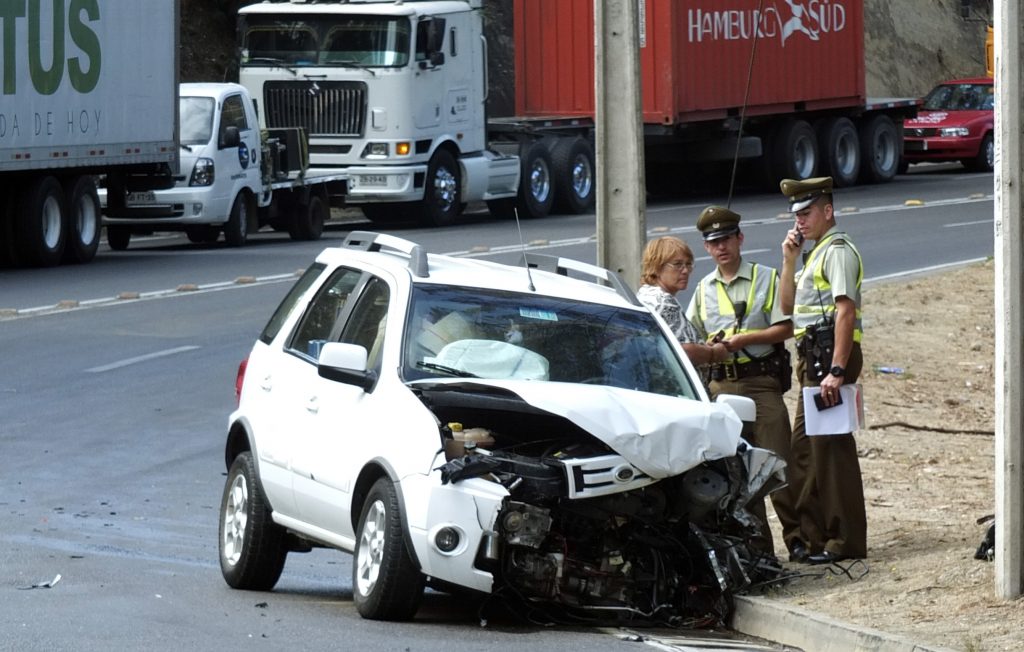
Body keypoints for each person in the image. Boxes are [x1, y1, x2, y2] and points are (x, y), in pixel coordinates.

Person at [685, 206, 798, 558]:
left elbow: (788, 326)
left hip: (760, 383)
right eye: (713, 242)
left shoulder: (766, 277)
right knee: (738, 476)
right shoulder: (703, 289)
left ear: (740, 239)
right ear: (706, 247)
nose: (721, 247)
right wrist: (711, 349)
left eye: (727, 239)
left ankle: (800, 541)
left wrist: (744, 339)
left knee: (778, 467)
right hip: (722, 388)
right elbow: (692, 337)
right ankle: (758, 551)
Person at [779, 176, 867, 564]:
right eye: (797, 214)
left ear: (827, 211)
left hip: (829, 359)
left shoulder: (838, 250)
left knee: (831, 452)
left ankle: (844, 541)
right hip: (813, 361)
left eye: (807, 212)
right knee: (804, 452)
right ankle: (815, 538)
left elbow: (845, 311)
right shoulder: (814, 254)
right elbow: (786, 307)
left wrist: (837, 369)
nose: (800, 220)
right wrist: (788, 259)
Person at [638, 236, 728, 370]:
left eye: (688, 264)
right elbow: (684, 350)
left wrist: (701, 346)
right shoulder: (665, 302)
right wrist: (713, 353)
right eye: (678, 264)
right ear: (656, 267)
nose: (685, 271)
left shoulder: (644, 294)